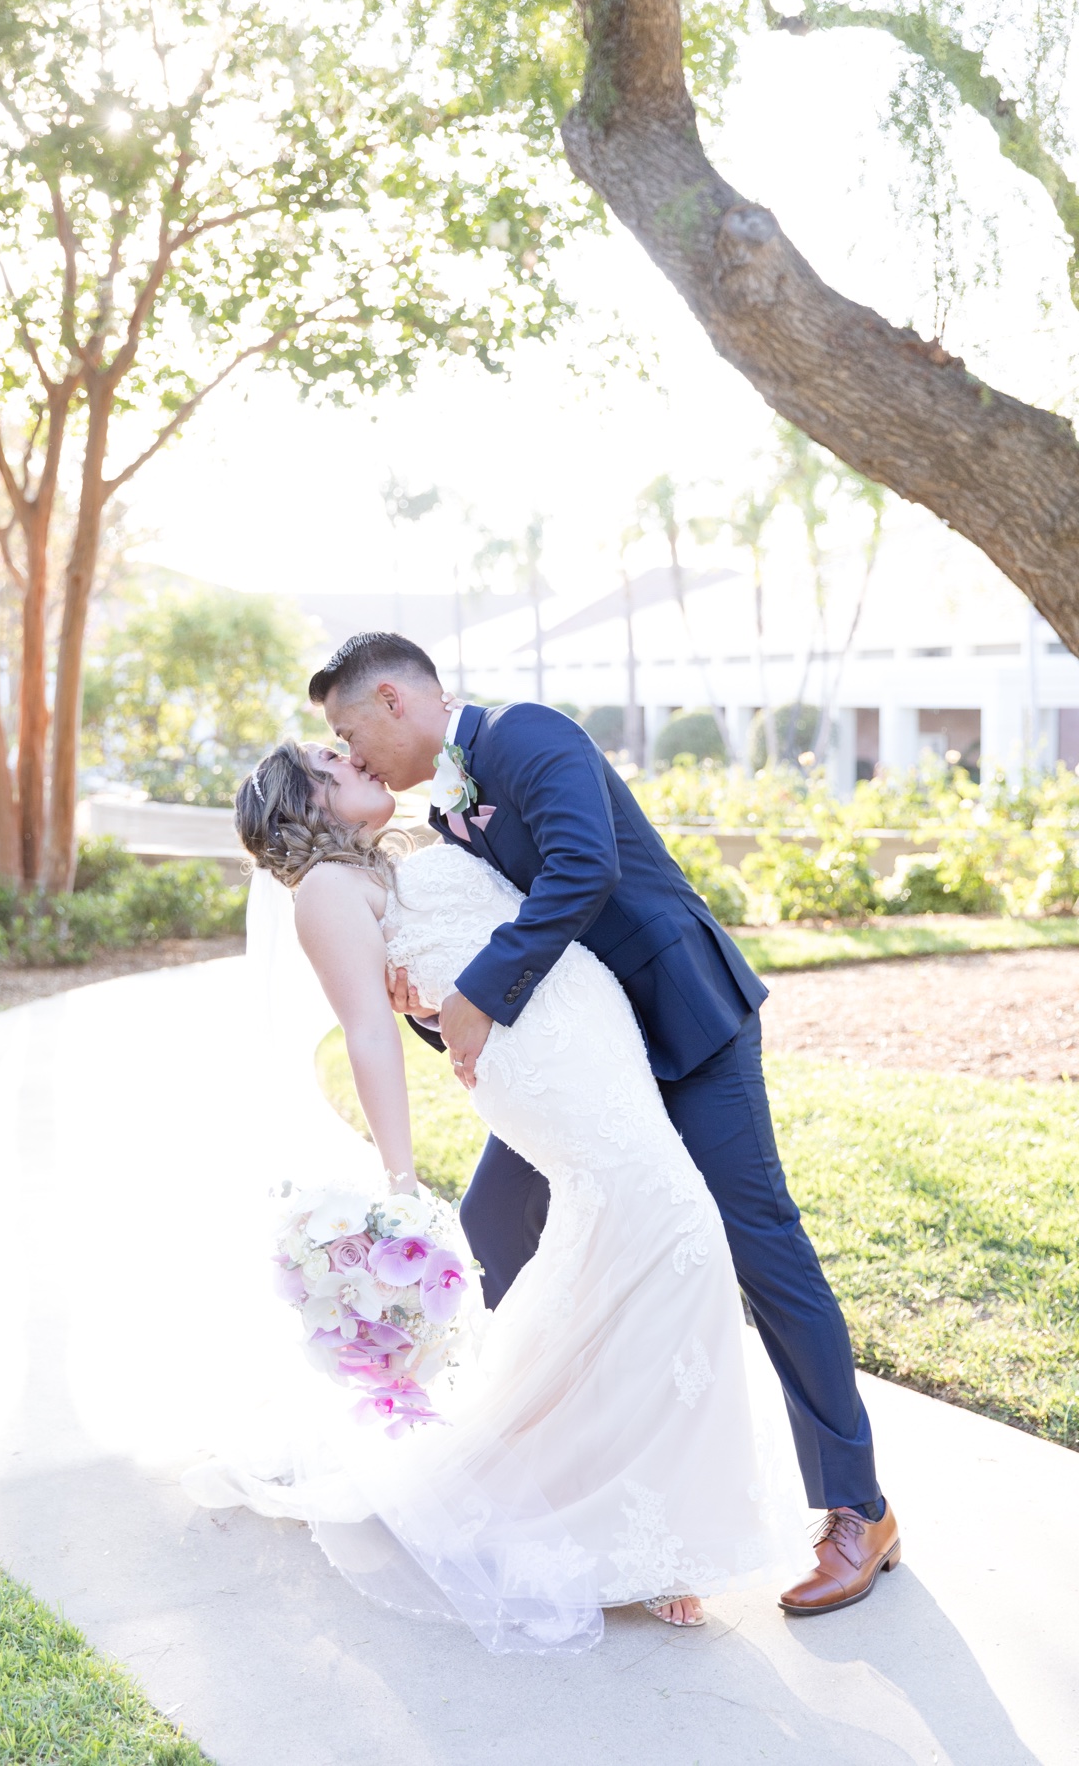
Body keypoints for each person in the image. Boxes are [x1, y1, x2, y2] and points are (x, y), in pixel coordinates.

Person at [309, 631, 900, 1619]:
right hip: (586, 1061)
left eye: (346, 729)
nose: (349, 750)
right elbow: (475, 941)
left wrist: (483, 994)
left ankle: (858, 1508)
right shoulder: (446, 810)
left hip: (683, 1022)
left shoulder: (528, 736)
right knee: (498, 1226)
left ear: (393, 699)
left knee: (758, 1243)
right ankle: (575, 1469)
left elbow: (582, 868)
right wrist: (429, 1002)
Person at [200, 730, 812, 1654]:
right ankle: (658, 1537)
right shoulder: (324, 890)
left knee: (623, 1248)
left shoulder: (396, 854)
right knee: (678, 1236)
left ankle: (578, 1486)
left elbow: (468, 941)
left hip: (586, 1039)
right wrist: (399, 1180)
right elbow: (368, 1033)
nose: (351, 759)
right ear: (303, 807)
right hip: (541, 1069)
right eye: (329, 767)